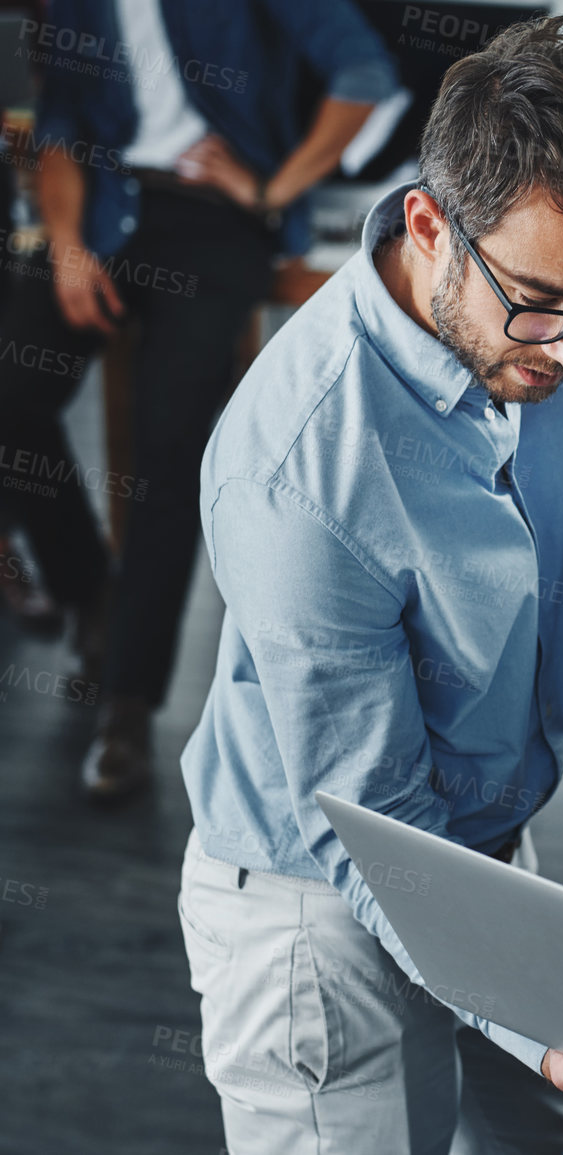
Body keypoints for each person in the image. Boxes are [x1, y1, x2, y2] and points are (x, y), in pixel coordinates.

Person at [178, 17, 563, 1154]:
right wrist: (532, 1020)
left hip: (495, 856)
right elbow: (374, 826)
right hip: (316, 907)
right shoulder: (296, 474)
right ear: (430, 226)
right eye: (539, 303)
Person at [0, 0, 402, 800]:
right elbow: (60, 128)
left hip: (214, 222)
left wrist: (273, 188)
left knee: (168, 445)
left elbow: (366, 75)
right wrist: (70, 245)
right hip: (103, 211)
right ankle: (92, 594)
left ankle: (127, 704)